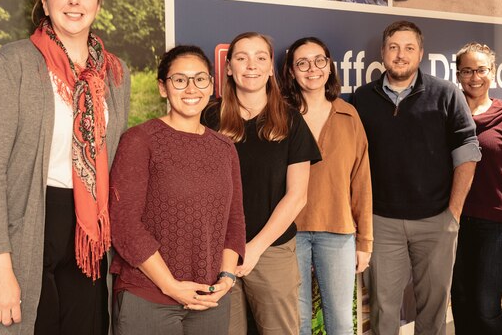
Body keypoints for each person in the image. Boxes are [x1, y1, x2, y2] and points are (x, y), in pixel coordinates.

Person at [0, 0, 130, 334]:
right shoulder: (14, 63)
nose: (75, 0)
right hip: (27, 221)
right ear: (44, 1)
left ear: (98, 3)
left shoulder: (116, 75)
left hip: (89, 236)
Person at [352, 20, 481, 335]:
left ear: (420, 53)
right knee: (383, 310)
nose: (400, 55)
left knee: (433, 307)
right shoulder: (362, 98)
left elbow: (467, 152)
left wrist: (453, 213)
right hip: (381, 222)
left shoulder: (446, 93)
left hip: (436, 220)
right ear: (383, 53)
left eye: (409, 48)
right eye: (394, 47)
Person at [108, 45, 246, 334]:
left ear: (211, 86)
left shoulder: (224, 148)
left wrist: (227, 277)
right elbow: (125, 225)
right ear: (163, 87)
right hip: (149, 295)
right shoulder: (139, 140)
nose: (191, 88)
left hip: (210, 298)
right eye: (180, 80)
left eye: (200, 79)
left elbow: (234, 222)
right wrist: (171, 286)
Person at [202, 32, 321, 335]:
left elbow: (297, 196)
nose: (250, 65)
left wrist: (254, 248)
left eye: (260, 58)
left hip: (272, 250)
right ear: (228, 68)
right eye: (241, 58)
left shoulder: (291, 121)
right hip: (217, 250)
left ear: (271, 68)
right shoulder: (209, 117)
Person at [278, 37, 373, 335]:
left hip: (339, 231)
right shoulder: (279, 116)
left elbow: (361, 180)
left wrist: (365, 242)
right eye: (302, 63)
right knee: (299, 320)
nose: (312, 69)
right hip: (288, 233)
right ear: (291, 72)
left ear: (329, 67)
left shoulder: (349, 115)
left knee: (341, 322)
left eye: (319, 61)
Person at [450, 43, 502, 335]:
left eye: (481, 69)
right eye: (467, 70)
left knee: (486, 306)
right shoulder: (447, 116)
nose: (475, 77)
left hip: (496, 227)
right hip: (454, 222)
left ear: (493, 73)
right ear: (458, 75)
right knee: (460, 300)